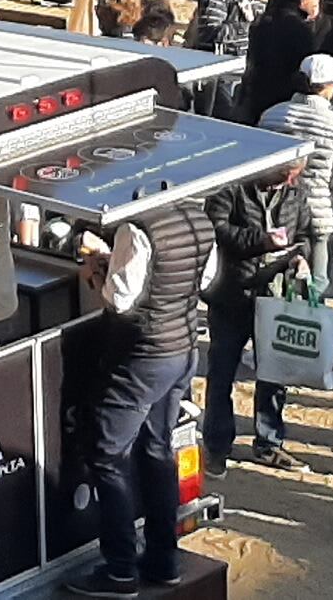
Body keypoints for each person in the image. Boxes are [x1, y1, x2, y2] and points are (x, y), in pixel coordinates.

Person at [65, 194, 214, 600]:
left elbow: (120, 298)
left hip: (144, 357)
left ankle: (119, 571)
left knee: (107, 455)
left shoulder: (137, 227)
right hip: (184, 350)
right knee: (157, 448)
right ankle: (163, 560)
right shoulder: (197, 218)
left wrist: (98, 271)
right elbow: (200, 280)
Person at [203, 151, 316, 469]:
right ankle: (216, 445)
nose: (290, 180)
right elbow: (217, 229)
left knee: (275, 372)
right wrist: (261, 241)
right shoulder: (232, 188)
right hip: (232, 294)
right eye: (286, 173)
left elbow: (306, 232)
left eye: (295, 175)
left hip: (275, 294)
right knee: (222, 371)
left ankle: (269, 442)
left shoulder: (295, 191)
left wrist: (301, 256)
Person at [258, 53, 333, 285]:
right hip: (319, 210)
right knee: (317, 281)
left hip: (275, 210)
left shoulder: (272, 115)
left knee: (273, 278)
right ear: (327, 87)